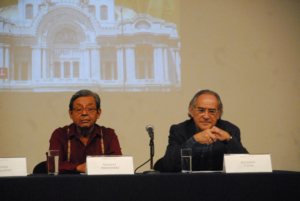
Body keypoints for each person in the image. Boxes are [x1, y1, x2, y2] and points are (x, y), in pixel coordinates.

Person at [163, 89, 248, 171]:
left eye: (212, 111)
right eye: (201, 110)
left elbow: (247, 165)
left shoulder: (230, 130)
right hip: (188, 183)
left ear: (218, 113)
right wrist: (193, 141)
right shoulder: (179, 131)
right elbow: (167, 165)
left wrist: (229, 140)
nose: (206, 116)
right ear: (192, 111)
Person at [48, 89, 122, 173]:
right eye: (79, 109)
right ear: (70, 113)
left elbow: (118, 164)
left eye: (90, 109)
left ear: (98, 113)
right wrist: (78, 168)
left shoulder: (108, 135)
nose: (84, 113)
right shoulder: (60, 135)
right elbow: (52, 165)